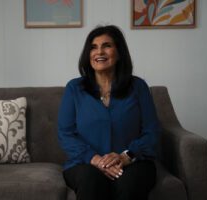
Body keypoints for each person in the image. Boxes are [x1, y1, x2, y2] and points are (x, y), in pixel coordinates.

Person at [58, 25, 161, 200]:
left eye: (107, 45)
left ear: (119, 52)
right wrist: (97, 160)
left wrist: (125, 156)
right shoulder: (74, 88)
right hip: (85, 163)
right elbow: (65, 134)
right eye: (93, 47)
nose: (99, 52)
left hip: (133, 162)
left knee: (129, 184)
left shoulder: (138, 87)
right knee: (90, 180)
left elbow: (152, 131)